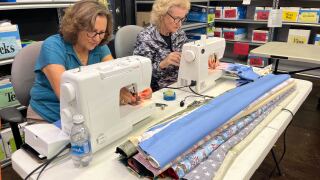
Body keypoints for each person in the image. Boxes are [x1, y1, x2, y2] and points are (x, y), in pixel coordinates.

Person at [28, 0, 137, 123]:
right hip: (48, 117)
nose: (97, 38)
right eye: (92, 32)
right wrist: (114, 94)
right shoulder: (53, 46)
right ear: (76, 27)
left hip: (86, 113)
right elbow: (68, 99)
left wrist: (131, 90)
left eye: (101, 32)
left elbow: (116, 77)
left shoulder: (99, 46)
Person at [133, 0, 219, 91]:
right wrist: (163, 64)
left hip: (182, 83)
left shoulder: (179, 33)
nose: (180, 24)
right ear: (162, 15)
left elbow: (190, 57)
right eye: (176, 19)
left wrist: (206, 60)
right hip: (161, 90)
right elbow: (140, 76)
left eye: (182, 19)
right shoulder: (146, 38)